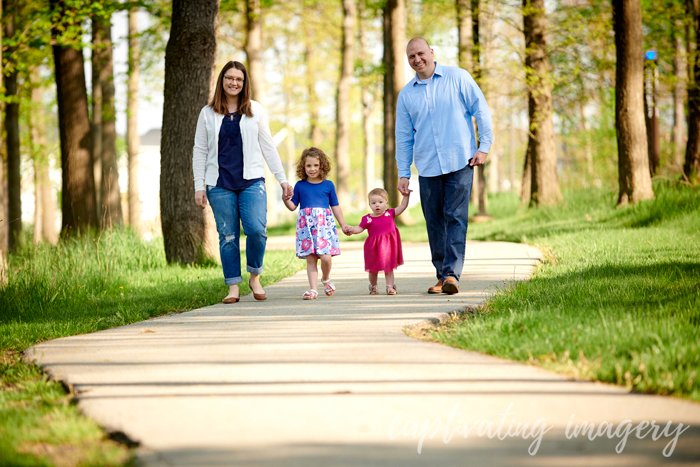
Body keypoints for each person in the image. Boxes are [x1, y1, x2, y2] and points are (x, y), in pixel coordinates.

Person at [395, 37, 493, 295]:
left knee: (456, 218)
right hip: (427, 166)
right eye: (411, 57)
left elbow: (480, 110)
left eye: (420, 53)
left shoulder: (457, 77)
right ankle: (442, 276)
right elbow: (404, 137)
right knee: (434, 222)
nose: (417, 59)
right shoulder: (406, 95)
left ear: (431, 52)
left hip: (459, 160)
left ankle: (451, 275)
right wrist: (403, 173)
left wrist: (484, 146)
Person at [193, 61, 292, 304]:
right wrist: (199, 185)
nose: (234, 82)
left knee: (257, 230)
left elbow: (268, 146)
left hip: (252, 181)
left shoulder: (255, 110)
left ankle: (255, 277)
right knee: (227, 236)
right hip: (219, 183)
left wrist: (282, 180)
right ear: (222, 80)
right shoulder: (208, 113)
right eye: (229, 78)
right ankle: (233, 287)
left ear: (244, 82)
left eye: (239, 79)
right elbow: (200, 150)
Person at [283, 147, 348, 300]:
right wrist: (285, 198)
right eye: (308, 166)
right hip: (306, 227)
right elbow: (292, 206)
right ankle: (313, 290)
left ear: (322, 166)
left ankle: (325, 279)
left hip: (324, 226)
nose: (312, 169)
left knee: (326, 258)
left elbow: (335, 206)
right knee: (311, 258)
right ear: (303, 168)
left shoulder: (328, 185)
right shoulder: (300, 185)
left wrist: (343, 224)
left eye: (316, 165)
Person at [345, 188, 410, 295]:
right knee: (373, 269)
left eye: (380, 202)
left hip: (388, 247)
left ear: (386, 203)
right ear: (370, 205)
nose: (377, 205)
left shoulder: (390, 214)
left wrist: (406, 196)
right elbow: (359, 228)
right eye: (373, 203)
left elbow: (402, 206)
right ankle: (374, 287)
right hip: (373, 248)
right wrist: (352, 230)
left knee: (388, 268)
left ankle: (390, 287)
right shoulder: (367, 219)